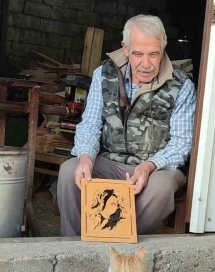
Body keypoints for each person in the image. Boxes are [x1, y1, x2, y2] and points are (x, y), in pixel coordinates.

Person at [57, 14, 196, 235]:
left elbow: (182, 143)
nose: (146, 64)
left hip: (155, 168)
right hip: (110, 162)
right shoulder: (104, 74)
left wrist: (150, 165)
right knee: (69, 171)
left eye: (154, 54)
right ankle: (74, 248)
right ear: (125, 48)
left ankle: (120, 245)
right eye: (138, 54)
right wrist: (85, 156)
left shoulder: (181, 86)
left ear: (164, 47)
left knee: (162, 188)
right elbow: (90, 124)